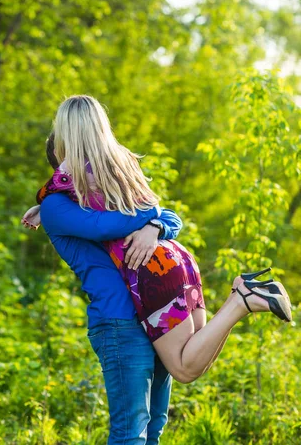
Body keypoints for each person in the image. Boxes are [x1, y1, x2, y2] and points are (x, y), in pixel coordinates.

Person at [24, 95, 292, 441]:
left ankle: (240, 301)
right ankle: (240, 301)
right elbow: (130, 219)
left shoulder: (80, 199)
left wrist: (154, 225)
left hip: (129, 309)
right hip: (158, 285)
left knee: (134, 429)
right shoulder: (77, 201)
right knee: (152, 423)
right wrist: (155, 218)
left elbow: (116, 224)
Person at [23, 138, 183, 444]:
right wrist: (153, 212)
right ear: (62, 164)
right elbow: (105, 228)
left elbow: (173, 219)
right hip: (119, 321)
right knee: (130, 431)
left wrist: (156, 227)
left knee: (155, 426)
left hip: (151, 315)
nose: (90, 162)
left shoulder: (102, 199)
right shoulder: (56, 206)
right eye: (79, 156)